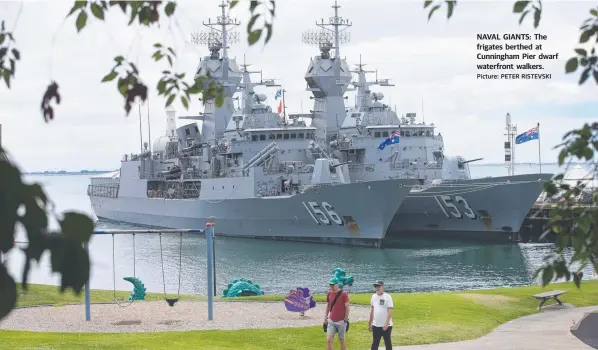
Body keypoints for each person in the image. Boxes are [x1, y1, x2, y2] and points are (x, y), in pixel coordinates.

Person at [323, 276, 350, 350]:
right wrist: (325, 317)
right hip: (331, 320)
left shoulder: (344, 294)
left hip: (341, 321)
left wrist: (345, 319)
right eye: (330, 285)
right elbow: (328, 305)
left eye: (333, 284)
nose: (331, 286)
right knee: (329, 340)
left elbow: (347, 307)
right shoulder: (329, 293)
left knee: (341, 340)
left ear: (337, 284)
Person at [368, 280, 393, 350]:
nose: (377, 288)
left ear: (382, 286)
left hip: (387, 325)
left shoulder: (387, 296)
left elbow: (390, 310)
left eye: (379, 286)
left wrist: (386, 323)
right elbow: (372, 310)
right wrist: (370, 323)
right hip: (376, 325)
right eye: (376, 286)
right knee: (375, 343)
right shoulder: (373, 296)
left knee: (388, 343)